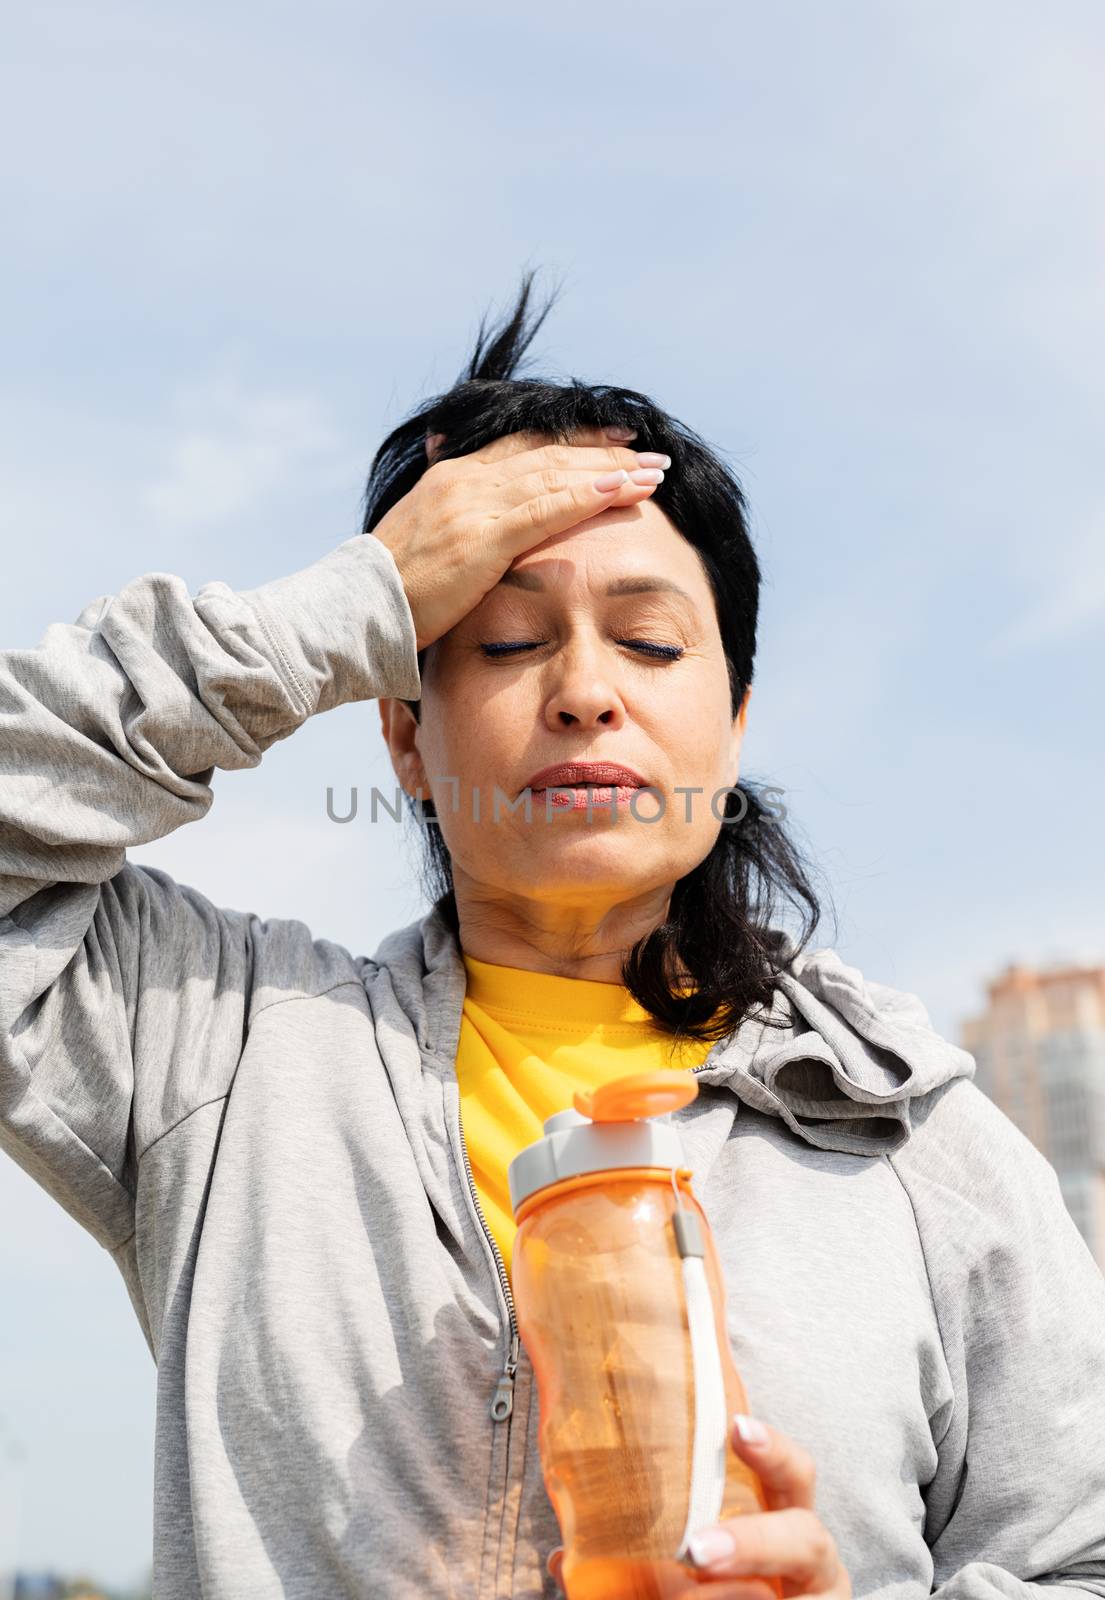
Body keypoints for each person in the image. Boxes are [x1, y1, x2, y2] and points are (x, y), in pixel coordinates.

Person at [1, 279, 1103, 1600]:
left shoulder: (916, 1143)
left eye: (648, 641)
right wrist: (352, 603)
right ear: (402, 731)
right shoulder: (215, 1051)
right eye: (507, 636)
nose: (584, 692)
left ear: (736, 722)